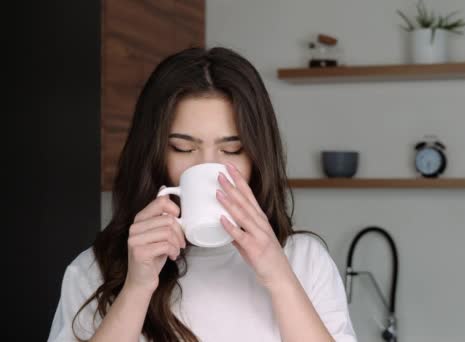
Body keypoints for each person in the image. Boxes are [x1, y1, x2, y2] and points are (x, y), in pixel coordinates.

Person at [48, 47, 357, 342]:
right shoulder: (94, 269)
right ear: (153, 153)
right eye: (183, 148)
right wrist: (137, 288)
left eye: (232, 149)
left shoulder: (305, 260)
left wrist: (279, 275)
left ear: (256, 158)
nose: (208, 166)